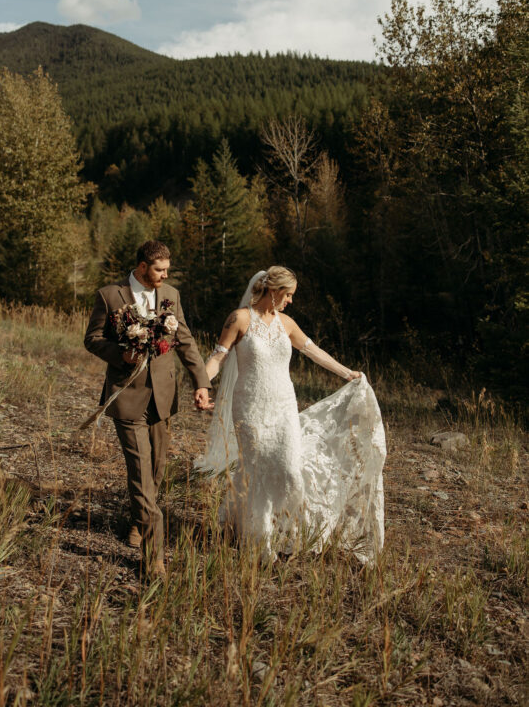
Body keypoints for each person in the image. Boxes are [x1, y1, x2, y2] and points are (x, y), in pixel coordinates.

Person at [195, 267, 386, 562]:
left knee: (289, 471)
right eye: (289, 295)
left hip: (284, 406)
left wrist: (347, 373)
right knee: (257, 470)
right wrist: (203, 385)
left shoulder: (287, 323)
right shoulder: (240, 319)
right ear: (274, 291)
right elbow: (218, 356)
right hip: (250, 406)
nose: (291, 301)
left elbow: (314, 351)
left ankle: (286, 529)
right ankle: (260, 544)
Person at [84, 240, 212, 578]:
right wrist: (120, 354)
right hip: (127, 395)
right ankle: (153, 556)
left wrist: (201, 382)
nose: (165, 275)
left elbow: (184, 339)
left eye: (167, 269)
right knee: (141, 472)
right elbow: (92, 339)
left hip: (163, 396)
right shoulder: (109, 295)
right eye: (159, 269)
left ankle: (138, 520)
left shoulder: (170, 294)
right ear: (142, 267)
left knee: (155, 470)